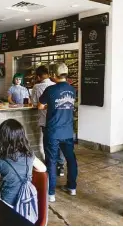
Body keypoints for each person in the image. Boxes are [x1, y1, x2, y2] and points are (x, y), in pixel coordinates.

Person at [38, 63, 77, 203]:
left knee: (52, 161)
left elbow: (40, 106)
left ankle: (51, 193)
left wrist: (51, 105)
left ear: (54, 75)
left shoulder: (50, 89)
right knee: (71, 159)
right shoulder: (73, 90)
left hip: (53, 131)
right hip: (68, 131)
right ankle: (72, 187)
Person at [31, 65, 65, 177]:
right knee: (59, 143)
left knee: (48, 145)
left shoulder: (37, 87)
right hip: (58, 119)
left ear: (38, 76)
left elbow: (35, 104)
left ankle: (50, 167)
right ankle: (60, 167)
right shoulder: (56, 85)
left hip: (46, 120)